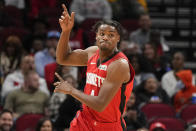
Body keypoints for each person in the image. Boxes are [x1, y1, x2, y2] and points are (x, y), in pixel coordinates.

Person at [54, 4, 135, 131]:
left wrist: (71, 90)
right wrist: (66, 31)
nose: (105, 37)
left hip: (108, 125)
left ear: (118, 38)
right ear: (96, 36)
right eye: (102, 33)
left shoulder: (119, 65)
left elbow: (100, 104)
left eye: (111, 35)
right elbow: (62, 58)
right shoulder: (92, 52)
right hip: (84, 119)